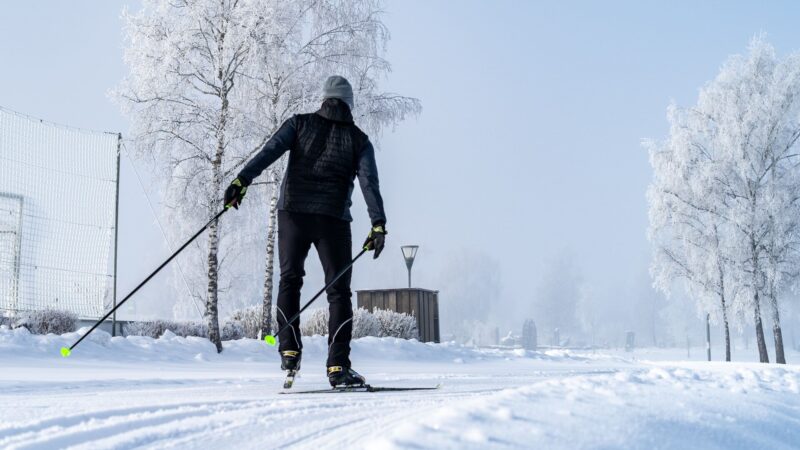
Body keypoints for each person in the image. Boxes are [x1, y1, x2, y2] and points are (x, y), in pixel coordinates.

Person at [224, 75, 387, 387]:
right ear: (349, 104)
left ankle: (288, 349)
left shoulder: (298, 124)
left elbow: (268, 152)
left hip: (293, 214)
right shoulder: (359, 139)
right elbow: (369, 183)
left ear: (323, 99)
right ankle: (337, 367)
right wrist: (378, 223)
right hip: (333, 220)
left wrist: (241, 181)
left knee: (290, 279)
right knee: (338, 292)